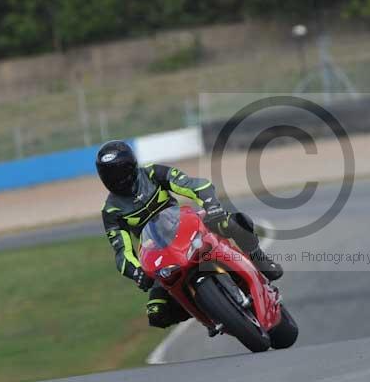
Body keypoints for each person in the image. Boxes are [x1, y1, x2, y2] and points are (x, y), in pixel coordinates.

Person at [96, 140, 283, 330]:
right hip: (158, 254)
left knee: (233, 221)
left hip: (187, 225)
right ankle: (210, 311)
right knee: (156, 313)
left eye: (119, 172)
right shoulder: (111, 211)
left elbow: (194, 185)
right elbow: (122, 253)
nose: (115, 179)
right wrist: (137, 272)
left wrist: (212, 206)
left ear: (131, 166)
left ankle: (260, 260)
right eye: (108, 174)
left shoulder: (152, 173)